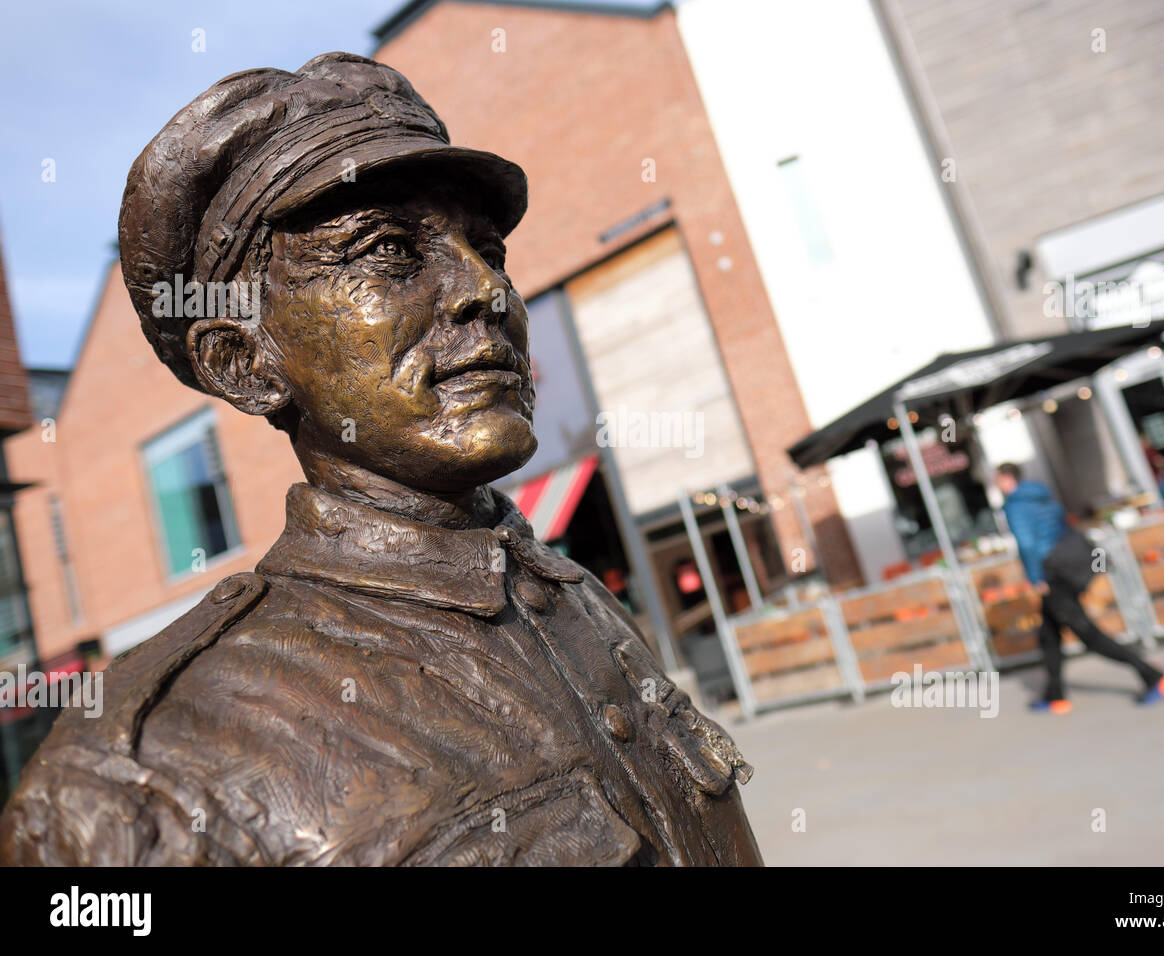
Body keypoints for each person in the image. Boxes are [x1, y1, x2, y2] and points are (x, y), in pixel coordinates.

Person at [0, 54, 761, 866]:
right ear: (244, 362)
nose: (485, 291)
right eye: (389, 252)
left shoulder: (581, 608)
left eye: (490, 249)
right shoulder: (142, 774)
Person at [994, 463, 1164, 713]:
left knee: (1089, 635)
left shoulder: (1015, 505)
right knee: (1048, 636)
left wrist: (1036, 577)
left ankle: (1153, 676)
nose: (995, 484)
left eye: (997, 479)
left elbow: (1027, 544)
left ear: (1006, 478)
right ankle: (1055, 696)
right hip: (1071, 565)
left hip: (1053, 573)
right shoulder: (1040, 495)